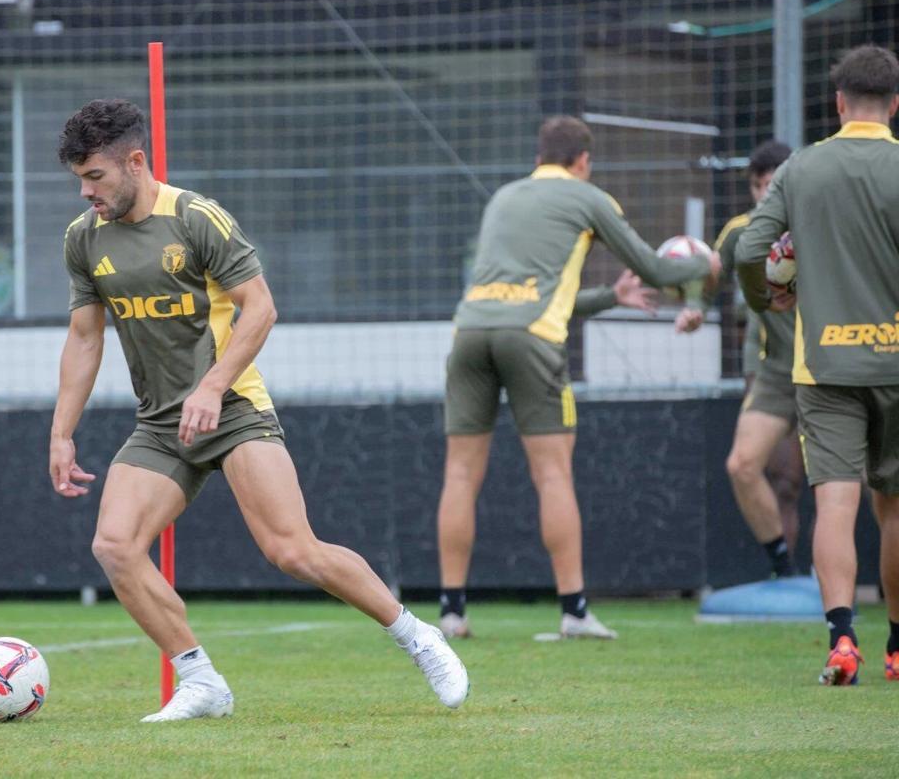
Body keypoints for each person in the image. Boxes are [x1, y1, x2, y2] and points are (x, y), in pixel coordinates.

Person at [49, 99, 468, 720]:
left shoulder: (198, 219)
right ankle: (201, 682)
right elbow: (86, 338)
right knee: (114, 545)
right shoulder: (82, 239)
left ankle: (417, 636)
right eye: (79, 179)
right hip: (161, 427)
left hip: (234, 409)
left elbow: (261, 308)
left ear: (135, 162)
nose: (86, 192)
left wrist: (213, 386)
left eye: (96, 177)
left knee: (293, 551)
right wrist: (62, 434)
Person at [436, 115, 719, 640]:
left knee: (459, 476)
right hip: (533, 341)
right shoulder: (591, 199)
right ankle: (575, 611)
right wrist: (707, 265)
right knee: (552, 475)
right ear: (583, 160)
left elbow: (526, 295)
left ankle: (452, 613)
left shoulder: (504, 197)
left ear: (538, 157)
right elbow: (657, 269)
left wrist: (613, 296)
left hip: (469, 331)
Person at [736, 44, 899, 686]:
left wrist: (769, 299)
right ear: (894, 104)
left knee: (836, 503)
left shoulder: (802, 168)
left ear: (838, 103)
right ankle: (896, 649)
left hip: (826, 361)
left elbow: (753, 246)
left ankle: (842, 643)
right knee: (894, 509)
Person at [676, 140, 803, 579]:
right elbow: (707, 281)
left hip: (832, 365)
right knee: (750, 467)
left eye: (774, 184)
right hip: (771, 369)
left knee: (850, 481)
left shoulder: (820, 224)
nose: (766, 193)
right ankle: (784, 572)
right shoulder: (739, 232)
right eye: (758, 185)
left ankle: (854, 591)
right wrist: (693, 309)